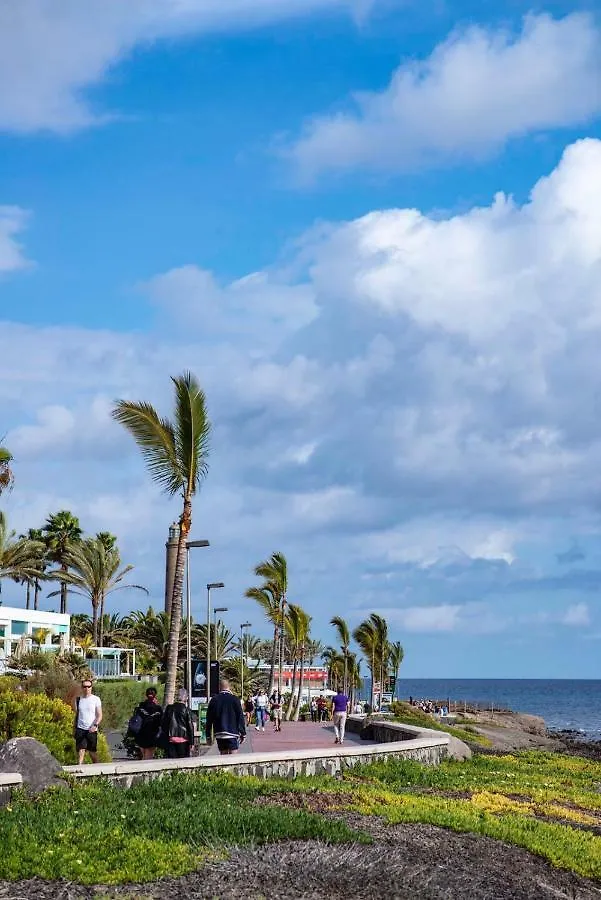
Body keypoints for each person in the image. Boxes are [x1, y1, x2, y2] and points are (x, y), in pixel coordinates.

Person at [205, 679, 246, 755]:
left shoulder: (214, 700)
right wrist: (243, 733)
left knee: (223, 757)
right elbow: (240, 717)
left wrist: (208, 735)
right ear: (229, 687)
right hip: (232, 733)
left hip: (219, 733)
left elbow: (209, 719)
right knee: (233, 757)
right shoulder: (234, 699)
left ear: (219, 687)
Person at [74, 678, 103, 764]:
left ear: (91, 687)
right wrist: (74, 728)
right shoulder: (78, 700)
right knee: (81, 750)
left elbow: (99, 715)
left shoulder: (96, 699)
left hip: (91, 729)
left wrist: (95, 725)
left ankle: (97, 767)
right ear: (82, 688)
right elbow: (77, 715)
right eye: (84, 687)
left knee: (92, 752)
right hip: (80, 728)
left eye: (88, 687)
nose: (86, 689)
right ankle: (79, 768)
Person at [162, 688, 195, 758]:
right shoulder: (187, 710)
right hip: (183, 739)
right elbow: (190, 727)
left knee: (172, 761)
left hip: (171, 738)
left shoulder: (169, 708)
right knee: (183, 761)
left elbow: (164, 724)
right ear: (186, 698)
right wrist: (192, 743)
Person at [134, 687, 163, 760]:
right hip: (151, 734)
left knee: (144, 755)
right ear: (155, 695)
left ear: (146, 695)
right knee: (148, 757)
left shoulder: (141, 706)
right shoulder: (157, 708)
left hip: (140, 734)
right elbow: (160, 722)